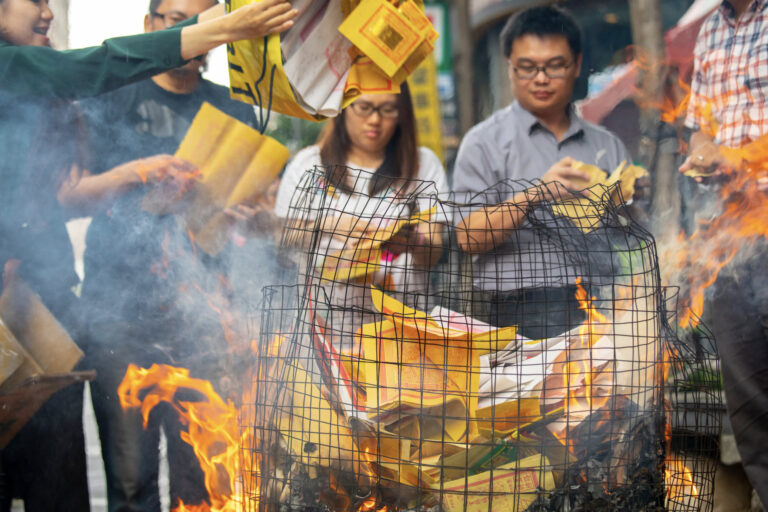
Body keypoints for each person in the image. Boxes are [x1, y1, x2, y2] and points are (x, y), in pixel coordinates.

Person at [0, 1, 296, 510]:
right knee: (128, 480)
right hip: (109, 312)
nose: (47, 13)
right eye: (37, 0)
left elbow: (256, 210)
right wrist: (141, 172)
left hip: (187, 313)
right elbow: (96, 72)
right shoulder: (50, 77)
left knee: (194, 475)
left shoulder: (234, 105)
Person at [452, 6, 630, 339]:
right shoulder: (483, 142)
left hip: (599, 302)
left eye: (554, 66)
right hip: (514, 309)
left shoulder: (608, 144)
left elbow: (630, 230)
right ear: (509, 66)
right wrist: (535, 194)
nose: (541, 78)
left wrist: (629, 198)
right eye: (527, 68)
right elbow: (466, 238)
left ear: (576, 64)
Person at [678, 0, 768, 506]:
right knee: (748, 395)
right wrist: (703, 152)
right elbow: (700, 127)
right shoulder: (712, 28)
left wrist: (738, 158)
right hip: (729, 234)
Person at [275, 84, 448, 346]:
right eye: (364, 107)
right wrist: (329, 225)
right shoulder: (308, 165)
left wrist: (411, 241)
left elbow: (433, 254)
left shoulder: (423, 165)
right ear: (343, 107)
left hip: (404, 332)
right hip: (329, 332)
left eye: (388, 109)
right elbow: (282, 237)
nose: (375, 119)